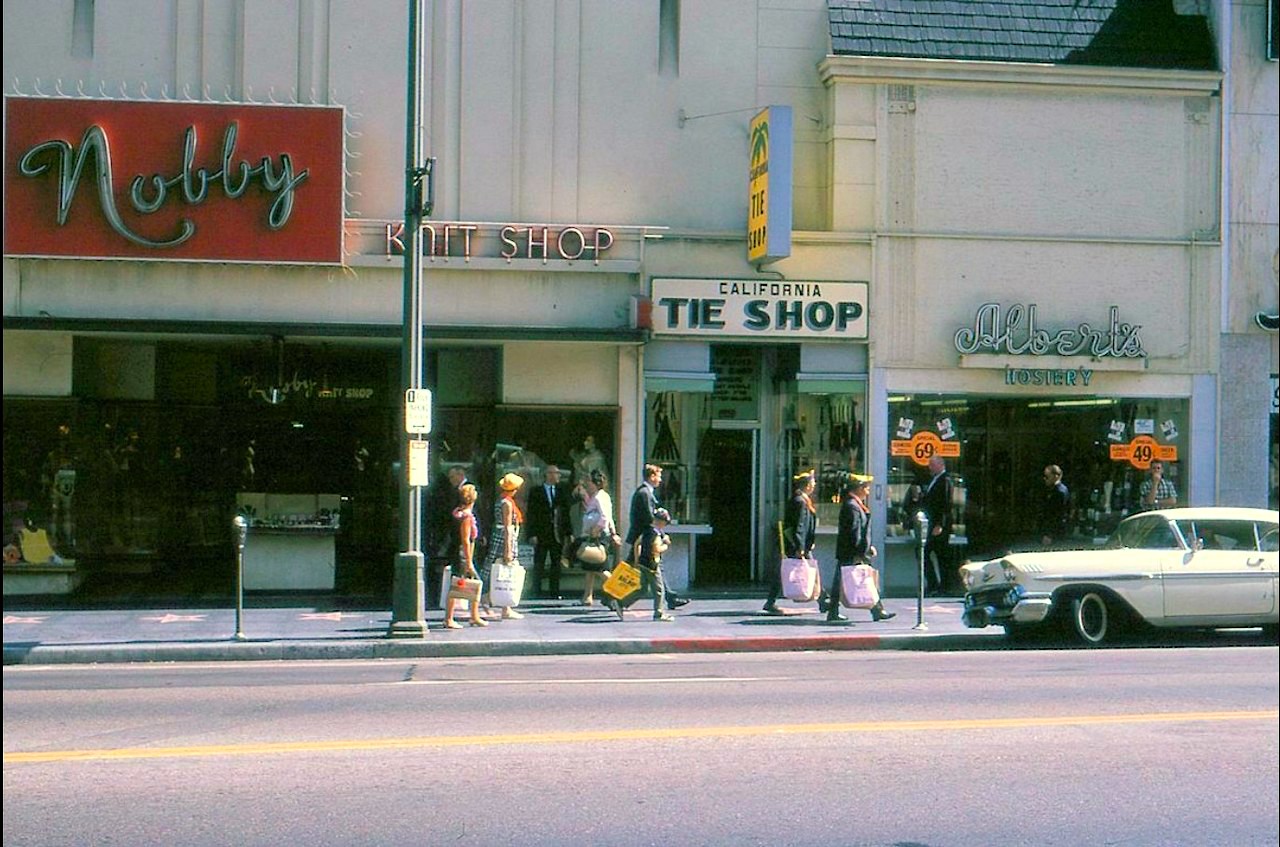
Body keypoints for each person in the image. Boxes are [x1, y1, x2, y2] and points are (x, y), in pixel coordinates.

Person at [831, 473, 897, 623]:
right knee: (856, 580)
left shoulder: (855, 505)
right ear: (859, 488)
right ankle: (876, 610)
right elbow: (854, 533)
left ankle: (876, 610)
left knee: (846, 581)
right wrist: (861, 551)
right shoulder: (852, 507)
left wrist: (867, 547)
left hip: (853, 551)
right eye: (866, 487)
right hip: (852, 552)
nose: (868, 490)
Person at [625, 463, 690, 610]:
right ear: (652, 476)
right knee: (631, 569)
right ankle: (612, 596)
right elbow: (650, 518)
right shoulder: (644, 493)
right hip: (644, 539)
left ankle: (670, 597)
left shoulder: (646, 493)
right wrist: (660, 534)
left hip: (644, 538)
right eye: (659, 476)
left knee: (650, 568)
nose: (660, 480)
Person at [762, 469, 826, 615]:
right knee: (803, 571)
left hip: (798, 544)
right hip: (796, 545)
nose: (814, 485)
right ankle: (823, 600)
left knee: (786, 571)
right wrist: (800, 547)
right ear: (807, 485)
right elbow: (799, 526)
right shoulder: (800, 501)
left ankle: (823, 600)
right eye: (813, 482)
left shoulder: (801, 500)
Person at [442, 483, 488, 629]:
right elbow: (466, 540)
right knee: (459, 585)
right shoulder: (467, 517)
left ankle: (474, 615)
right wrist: (469, 562)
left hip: (456, 551)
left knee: (469, 584)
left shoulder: (457, 512)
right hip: (464, 554)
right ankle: (449, 618)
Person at [480, 472, 525, 620]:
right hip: (504, 539)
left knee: (495, 570)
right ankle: (504, 607)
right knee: (506, 570)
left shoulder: (503, 500)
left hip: (501, 537)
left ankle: (486, 600)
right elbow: (507, 527)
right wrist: (508, 550)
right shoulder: (507, 503)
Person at [578, 468, 622, 612]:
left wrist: (595, 531)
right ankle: (587, 596)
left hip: (598, 536)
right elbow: (609, 517)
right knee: (590, 565)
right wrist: (614, 533)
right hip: (600, 534)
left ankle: (619, 591)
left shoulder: (598, 497)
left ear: (596, 483)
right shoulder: (602, 496)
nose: (587, 484)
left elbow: (604, 517)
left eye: (589, 482)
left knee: (598, 567)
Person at [525, 464, 567, 598]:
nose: (556, 476)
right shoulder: (536, 491)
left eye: (558, 473)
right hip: (541, 532)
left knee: (556, 563)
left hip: (556, 533)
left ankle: (554, 591)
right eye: (553, 473)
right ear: (547, 475)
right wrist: (531, 534)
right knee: (539, 563)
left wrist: (568, 532)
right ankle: (536, 590)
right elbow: (531, 514)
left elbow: (565, 513)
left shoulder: (561, 491)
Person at [630, 508, 674, 622]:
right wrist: (666, 545)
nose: (664, 525)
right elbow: (656, 549)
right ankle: (659, 614)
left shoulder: (647, 530)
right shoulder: (655, 534)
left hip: (643, 562)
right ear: (660, 521)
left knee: (642, 589)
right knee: (659, 589)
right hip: (652, 564)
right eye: (664, 523)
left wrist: (637, 559)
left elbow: (637, 543)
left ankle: (620, 603)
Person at [921, 455, 954, 596]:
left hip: (938, 526)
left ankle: (943, 586)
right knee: (925, 553)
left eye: (932, 465)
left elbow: (946, 504)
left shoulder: (945, 480)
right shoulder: (934, 480)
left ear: (940, 465)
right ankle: (935, 584)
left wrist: (940, 524)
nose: (930, 467)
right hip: (931, 524)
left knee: (939, 555)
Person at [1038, 464, 1070, 548]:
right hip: (1055, 529)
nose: (1045, 479)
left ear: (1055, 476)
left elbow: (1056, 514)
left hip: (1055, 531)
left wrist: (1049, 534)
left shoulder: (1059, 492)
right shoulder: (1058, 489)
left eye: (1047, 476)